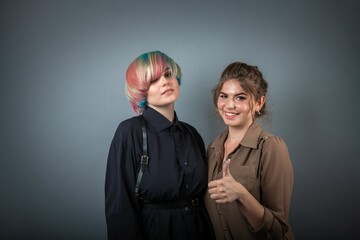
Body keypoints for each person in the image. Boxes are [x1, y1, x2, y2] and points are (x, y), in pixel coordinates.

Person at [105, 51, 215, 240]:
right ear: (141, 91)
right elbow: (120, 209)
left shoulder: (191, 134)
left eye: (168, 74)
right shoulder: (129, 132)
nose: (165, 81)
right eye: (153, 80)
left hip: (199, 229)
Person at [204, 62, 294, 240]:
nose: (229, 105)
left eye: (240, 97)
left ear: (259, 102)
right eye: (224, 96)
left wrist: (241, 194)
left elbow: (279, 230)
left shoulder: (272, 147)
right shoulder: (213, 147)